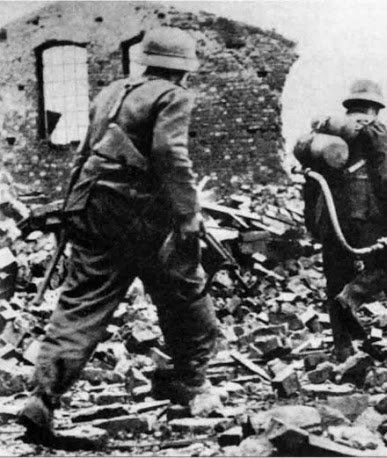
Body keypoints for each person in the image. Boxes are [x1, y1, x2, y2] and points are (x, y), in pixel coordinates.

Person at [18, 27, 221, 443]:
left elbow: (84, 151)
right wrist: (188, 214)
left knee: (81, 304)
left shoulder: (112, 91)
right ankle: (191, 380)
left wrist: (72, 208)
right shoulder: (173, 95)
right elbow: (169, 153)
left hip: (90, 206)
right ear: (182, 70)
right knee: (184, 289)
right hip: (139, 215)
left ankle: (43, 397)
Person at [302, 79, 387, 362]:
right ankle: (351, 298)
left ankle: (342, 347)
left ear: (349, 105)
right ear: (375, 107)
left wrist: (313, 222)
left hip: (327, 215)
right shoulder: (374, 129)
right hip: (364, 215)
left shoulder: (324, 136)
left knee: (335, 279)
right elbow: (386, 177)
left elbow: (309, 184)